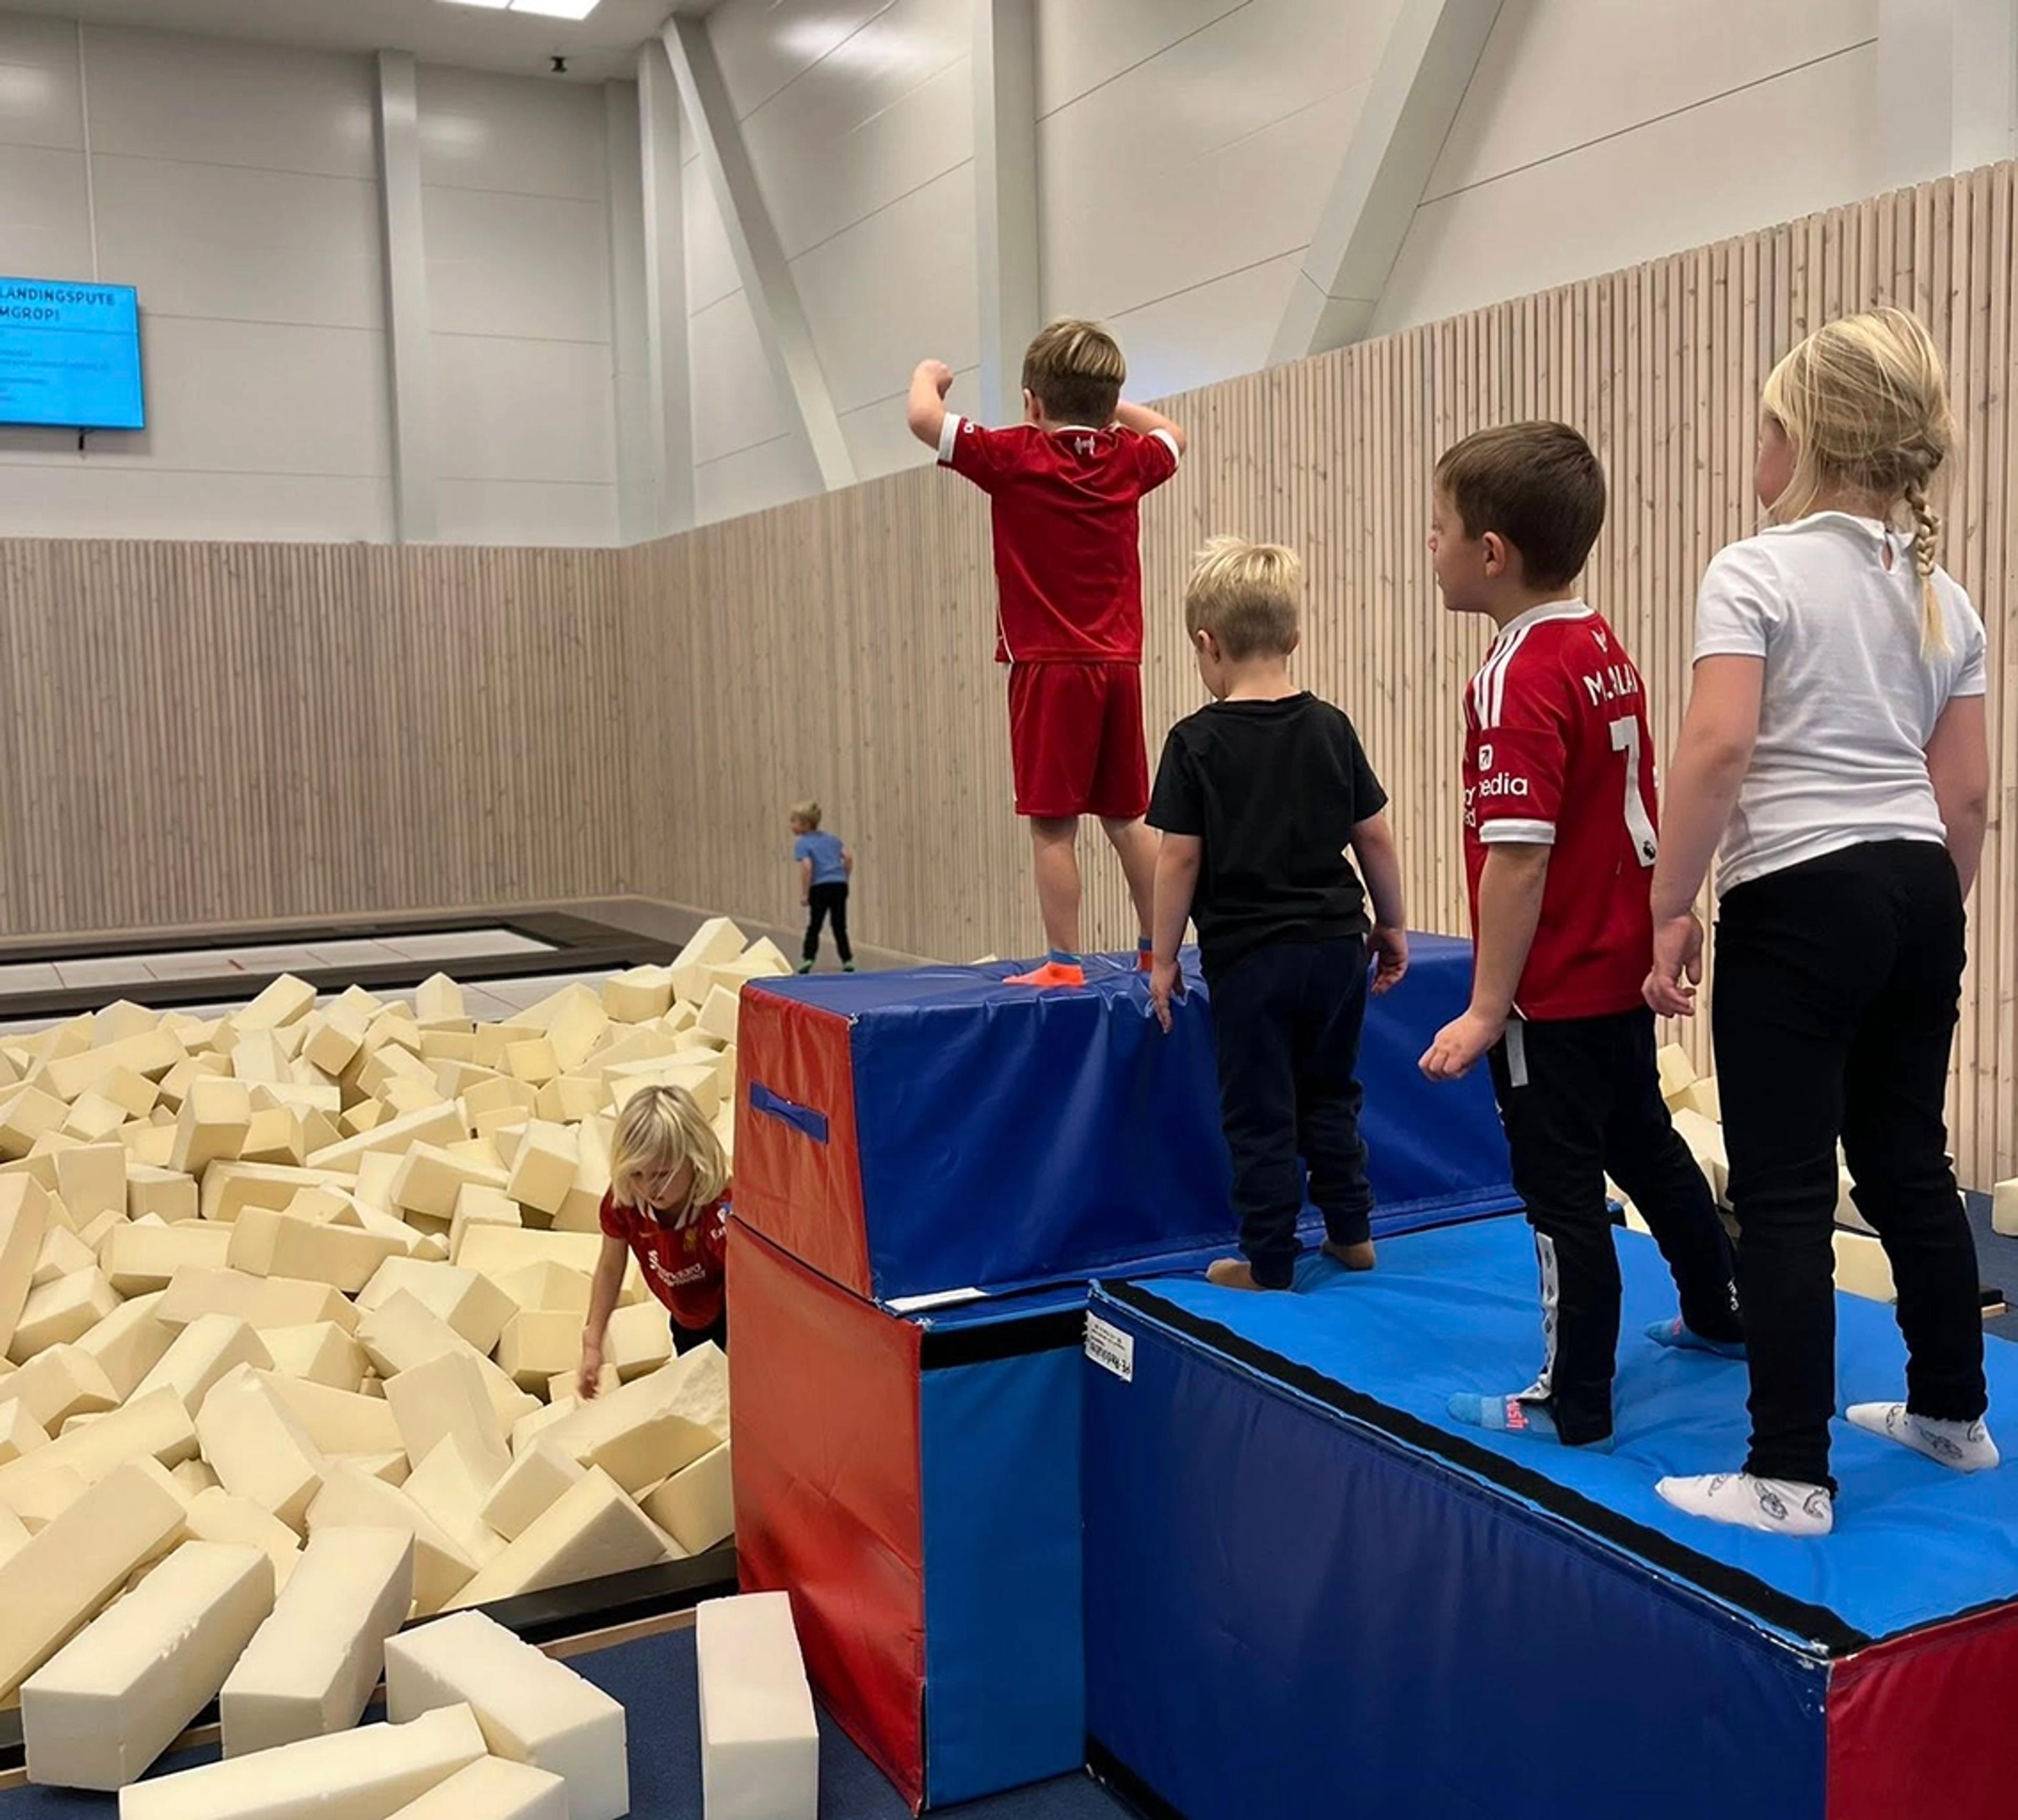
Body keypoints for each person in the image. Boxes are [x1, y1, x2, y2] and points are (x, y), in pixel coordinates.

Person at [1645, 308, 1995, 1536]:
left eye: (1764, 418)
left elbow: (1717, 744)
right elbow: (1965, 797)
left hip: (1800, 888)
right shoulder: (1944, 595)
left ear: (1802, 436)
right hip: (1911, 882)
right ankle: (1952, 1411)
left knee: (1786, 1186)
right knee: (1905, 1153)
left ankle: (1787, 1474)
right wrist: (1919, 930)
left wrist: (1669, 906)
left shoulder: (1752, 568)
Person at [1419, 422, 1743, 1452]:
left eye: (1438, 531)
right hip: (1612, 968)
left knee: (1560, 1193)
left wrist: (1485, 1004)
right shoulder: (1603, 647)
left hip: (1551, 990)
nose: (1429, 548)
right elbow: (1634, 811)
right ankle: (1716, 1309)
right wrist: (1662, 919)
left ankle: (1576, 1397)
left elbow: (1519, 854)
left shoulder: (1514, 675)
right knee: (1646, 1143)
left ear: (1492, 553)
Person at [1147, 537, 1408, 1291]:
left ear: (1208, 644)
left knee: (1261, 1107)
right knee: (1330, 1090)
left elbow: (1180, 860)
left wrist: (1163, 959)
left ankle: (1268, 1259)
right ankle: (1353, 1232)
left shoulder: (1196, 742)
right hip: (1335, 945)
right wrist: (1390, 925)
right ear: (1294, 637)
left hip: (1252, 956)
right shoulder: (1331, 725)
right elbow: (1375, 837)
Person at [907, 320, 1187, 988]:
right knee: (1127, 818)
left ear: (1033, 403)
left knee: (1053, 826)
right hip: (1119, 664)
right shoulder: (1128, 461)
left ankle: (1064, 962)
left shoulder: (1015, 455)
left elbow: (925, 417)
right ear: (1105, 398)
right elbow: (1174, 434)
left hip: (1048, 664)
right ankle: (1158, 950)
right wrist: (1109, 407)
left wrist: (931, 373)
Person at [580, 1085, 728, 1399]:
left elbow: (750, 1288)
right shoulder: (625, 1203)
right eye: (636, 1174)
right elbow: (610, 1267)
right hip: (686, 1317)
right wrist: (593, 1341)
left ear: (694, 1158)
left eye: (662, 1174)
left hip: (732, 1312)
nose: (649, 1188)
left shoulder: (720, 1211)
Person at [790, 799, 854, 975]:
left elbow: (808, 867)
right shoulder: (832, 839)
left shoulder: (803, 843)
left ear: (805, 824)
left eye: (794, 821)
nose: (791, 825)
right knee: (839, 925)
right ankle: (847, 959)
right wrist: (845, 877)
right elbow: (848, 858)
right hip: (839, 885)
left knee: (815, 925)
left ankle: (808, 958)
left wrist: (805, 893)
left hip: (820, 887)